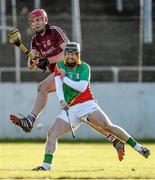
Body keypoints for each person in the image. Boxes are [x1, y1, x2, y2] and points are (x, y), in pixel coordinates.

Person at [9, 9, 125, 161]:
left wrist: (47, 60)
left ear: (45, 20)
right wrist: (32, 61)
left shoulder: (55, 31)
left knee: (42, 88)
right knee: (85, 117)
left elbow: (68, 53)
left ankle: (30, 120)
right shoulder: (35, 40)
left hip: (70, 71)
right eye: (33, 21)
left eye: (39, 20)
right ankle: (115, 140)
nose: (36, 23)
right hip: (59, 76)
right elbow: (31, 65)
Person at [31, 42, 150, 171]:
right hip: (70, 109)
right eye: (68, 54)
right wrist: (61, 101)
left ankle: (139, 148)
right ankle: (46, 166)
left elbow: (81, 87)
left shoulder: (84, 68)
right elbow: (59, 86)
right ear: (64, 55)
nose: (70, 57)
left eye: (73, 54)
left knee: (107, 127)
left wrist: (65, 78)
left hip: (87, 105)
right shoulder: (59, 66)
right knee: (52, 133)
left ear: (78, 55)